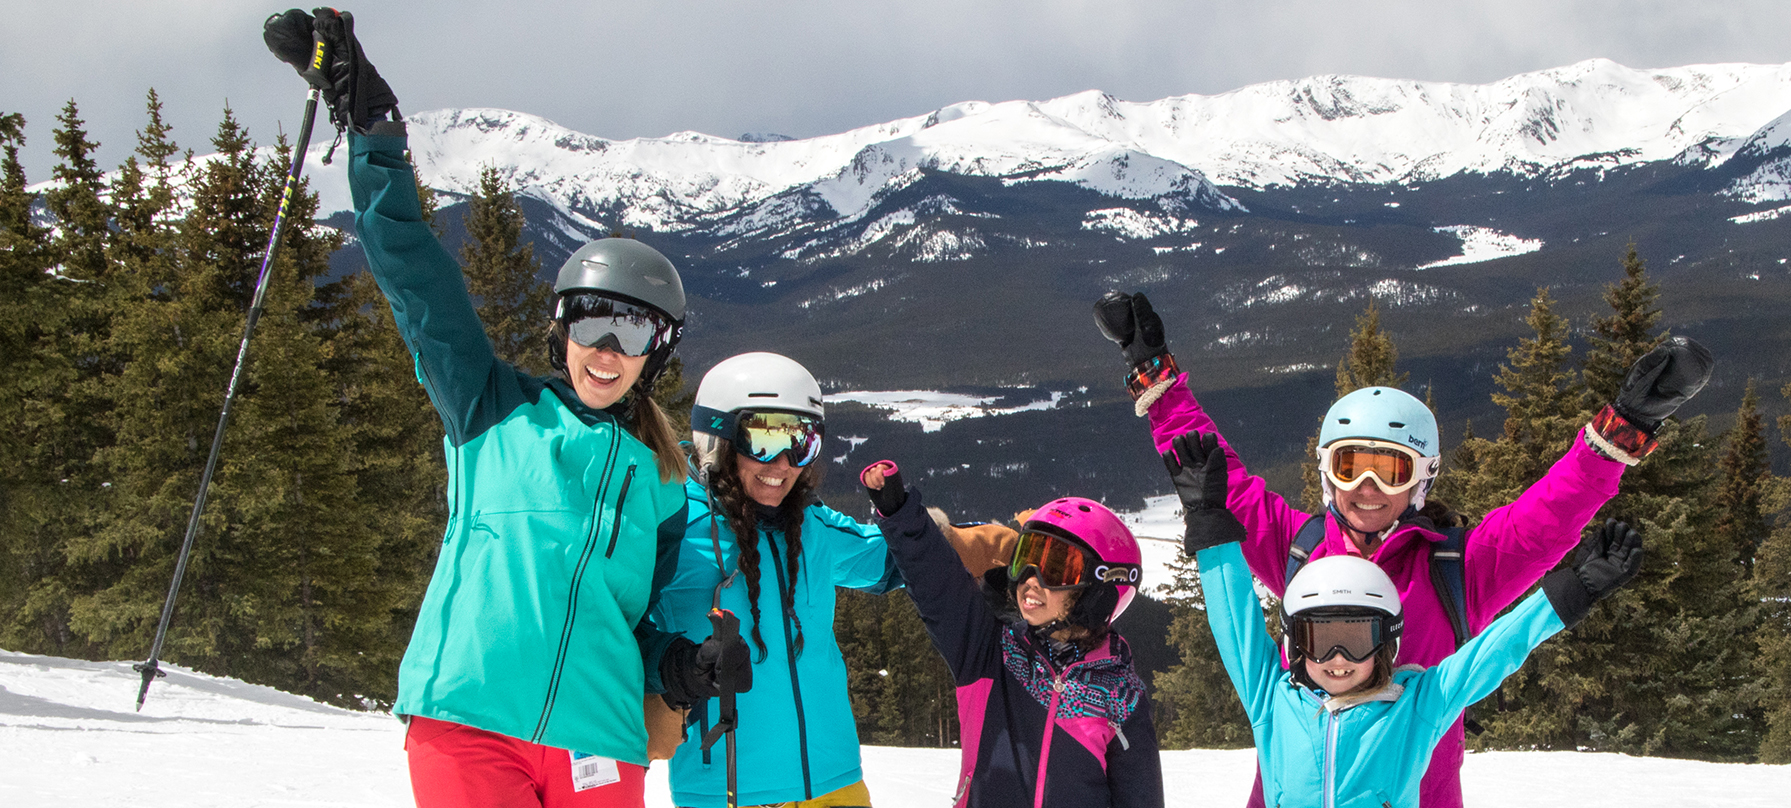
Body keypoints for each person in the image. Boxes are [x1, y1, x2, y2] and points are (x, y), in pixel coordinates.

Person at [264, 10, 747, 807]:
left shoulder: (664, 485)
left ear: (656, 353)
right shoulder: (491, 409)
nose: (606, 349)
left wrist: (679, 666)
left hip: (598, 743)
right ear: (561, 329)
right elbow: (416, 276)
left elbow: (636, 625)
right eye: (590, 320)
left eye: (631, 332)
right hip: (470, 719)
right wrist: (374, 131)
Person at [1092, 291, 1711, 808]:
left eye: (1390, 470)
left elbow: (1544, 520)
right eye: (1349, 467)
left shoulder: (1458, 568)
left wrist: (1625, 428)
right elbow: (1217, 477)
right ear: (1326, 472)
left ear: (1422, 480)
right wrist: (1157, 378)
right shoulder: (1299, 548)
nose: (1367, 489)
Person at [1171, 425, 1644, 807]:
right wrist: (1209, 523)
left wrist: (1569, 595)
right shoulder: (1272, 701)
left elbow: (1496, 652)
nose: (1337, 659)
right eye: (1319, 639)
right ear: (1296, 642)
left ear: (1389, 642)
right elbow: (1236, 620)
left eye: (1357, 640)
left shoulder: (1417, 703)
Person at [643, 352, 901, 808]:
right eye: (761, 441)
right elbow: (611, 625)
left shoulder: (810, 526)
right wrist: (675, 670)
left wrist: (997, 560)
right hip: (725, 788)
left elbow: (891, 562)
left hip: (833, 783)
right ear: (717, 439)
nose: (781, 464)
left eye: (801, 443)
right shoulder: (670, 523)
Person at [860, 461, 1164, 808]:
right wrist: (901, 514)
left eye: (1056, 569)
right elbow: (939, 586)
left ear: (1098, 592)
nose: (1031, 579)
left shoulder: (1121, 695)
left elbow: (1140, 797)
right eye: (1027, 558)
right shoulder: (990, 652)